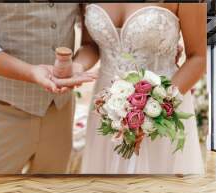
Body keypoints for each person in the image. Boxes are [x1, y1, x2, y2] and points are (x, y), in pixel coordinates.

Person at [80, 3, 206, 174]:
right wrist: (74, 67)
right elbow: (89, 45)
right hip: (106, 107)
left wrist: (153, 111)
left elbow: (198, 57)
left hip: (162, 104)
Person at [0, 3, 97, 174]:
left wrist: (78, 67)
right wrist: (30, 72)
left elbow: (90, 42)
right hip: (3, 110)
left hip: (60, 110)